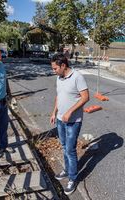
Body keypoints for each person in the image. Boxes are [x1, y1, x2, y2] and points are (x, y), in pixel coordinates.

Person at [49, 53, 89, 195]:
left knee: (70, 150)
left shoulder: (77, 77)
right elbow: (59, 96)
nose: (53, 71)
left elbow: (85, 97)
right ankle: (67, 169)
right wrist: (54, 112)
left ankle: (73, 178)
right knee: (64, 146)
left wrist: (70, 112)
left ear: (63, 66)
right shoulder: (59, 78)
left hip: (73, 121)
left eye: (55, 68)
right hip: (60, 119)